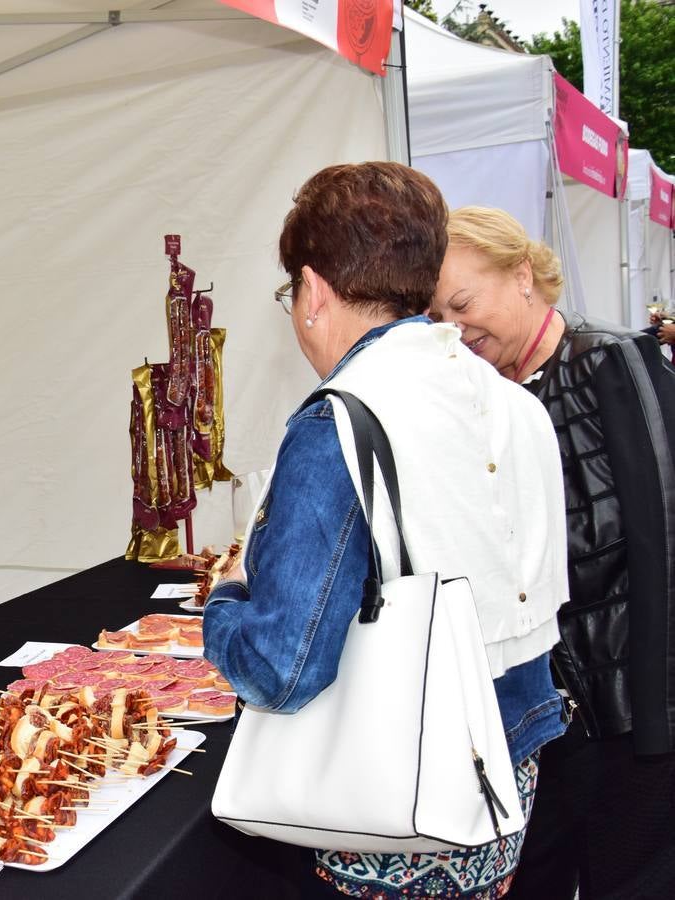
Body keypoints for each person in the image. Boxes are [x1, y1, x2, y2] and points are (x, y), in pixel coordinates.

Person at [203, 163, 570, 898]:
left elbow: (282, 667)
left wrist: (226, 600)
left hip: (402, 780)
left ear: (312, 292)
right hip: (512, 758)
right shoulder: (514, 400)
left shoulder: (339, 421)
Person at [431, 206, 675, 899]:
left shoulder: (606, 360)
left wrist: (657, 717)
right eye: (437, 317)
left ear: (523, 275)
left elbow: (661, 531)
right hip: (550, 719)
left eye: (463, 302)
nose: (456, 328)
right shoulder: (488, 401)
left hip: (632, 713)